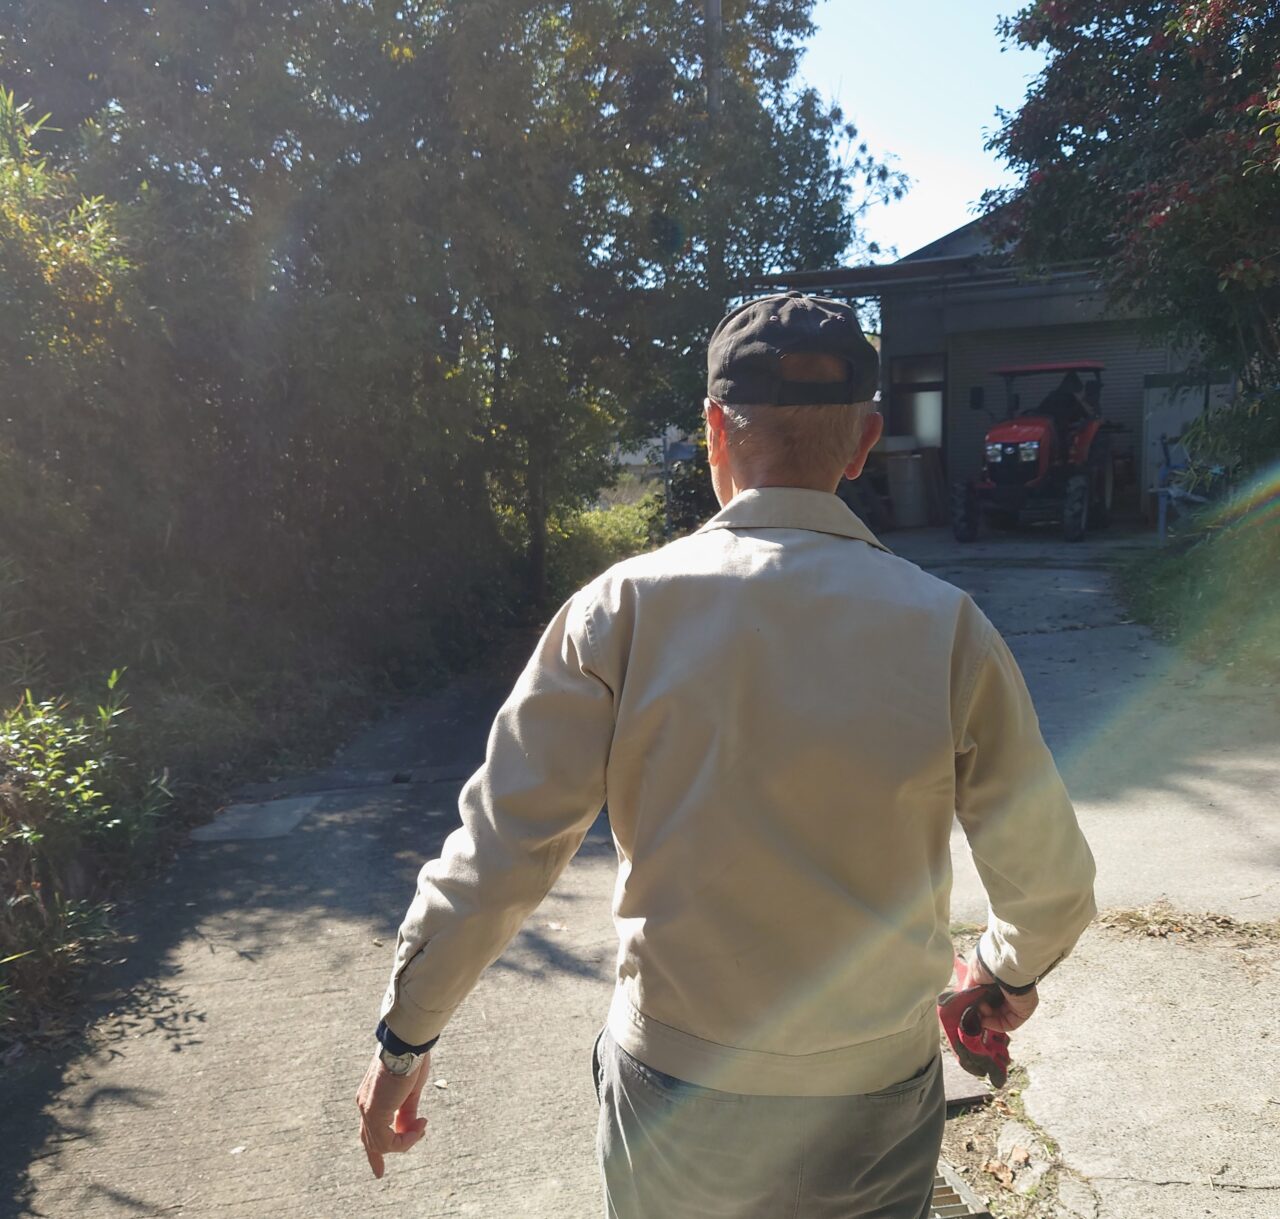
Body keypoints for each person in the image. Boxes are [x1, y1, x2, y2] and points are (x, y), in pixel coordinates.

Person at [355, 292, 1097, 1218]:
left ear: (714, 430)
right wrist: (999, 973)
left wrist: (403, 1042)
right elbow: (1053, 883)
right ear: (865, 443)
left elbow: (500, 852)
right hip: (872, 1092)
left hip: (676, 1087)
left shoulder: (616, 614)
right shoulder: (947, 629)